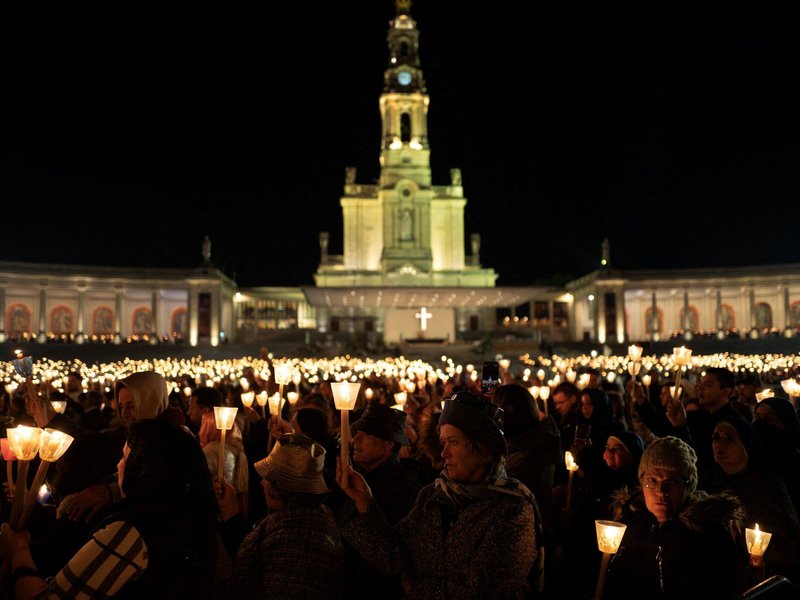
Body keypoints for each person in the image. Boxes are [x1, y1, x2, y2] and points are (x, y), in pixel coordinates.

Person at [339, 391, 540, 599]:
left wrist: (419, 589)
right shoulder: (432, 497)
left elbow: (485, 590)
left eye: (453, 442)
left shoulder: (513, 510)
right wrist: (365, 502)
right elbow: (395, 557)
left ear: (483, 447)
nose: (444, 453)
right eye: (443, 443)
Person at [0, 419, 219, 599]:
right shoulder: (189, 514)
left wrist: (19, 550)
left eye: (125, 458)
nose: (118, 465)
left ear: (145, 469)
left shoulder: (131, 533)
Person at [604, 436, 744, 599]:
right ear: (641, 482)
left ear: (688, 486)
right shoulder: (630, 520)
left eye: (673, 482)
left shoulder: (709, 536)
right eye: (652, 480)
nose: (661, 491)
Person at [217, 433, 344, 599]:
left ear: (279, 487)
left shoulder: (293, 538)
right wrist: (231, 511)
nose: (262, 483)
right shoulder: (315, 516)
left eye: (267, 478)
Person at [699, 416, 800, 589]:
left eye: (729, 439)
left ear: (747, 445)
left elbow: (786, 544)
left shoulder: (767, 486)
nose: (719, 444)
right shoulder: (707, 481)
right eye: (716, 437)